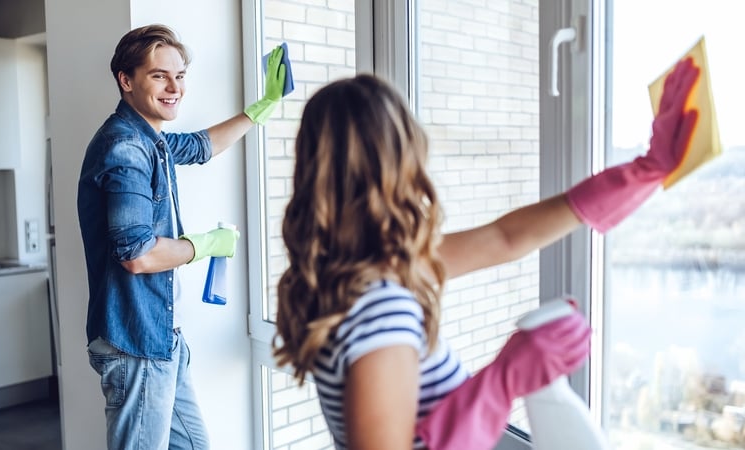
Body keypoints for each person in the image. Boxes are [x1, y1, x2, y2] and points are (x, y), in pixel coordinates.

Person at [273, 57, 699, 450]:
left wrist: (643, 170)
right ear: (397, 167)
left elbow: (505, 237)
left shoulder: (361, 272)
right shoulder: (381, 308)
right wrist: (502, 379)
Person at [76, 24, 286, 450]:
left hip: (159, 338)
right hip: (134, 344)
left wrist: (260, 108)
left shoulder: (150, 141)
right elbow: (136, 254)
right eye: (159, 76)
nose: (175, 87)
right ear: (127, 80)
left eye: (181, 75)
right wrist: (203, 245)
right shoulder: (125, 148)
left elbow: (200, 146)